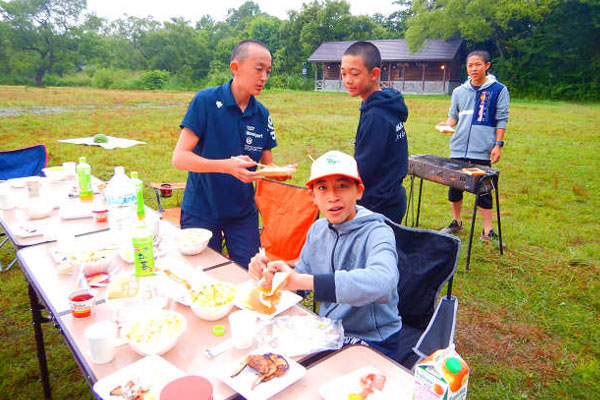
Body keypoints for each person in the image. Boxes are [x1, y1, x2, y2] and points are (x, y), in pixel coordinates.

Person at [249, 150, 401, 358]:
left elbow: (384, 281)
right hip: (328, 331)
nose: (332, 197)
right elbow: (301, 281)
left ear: (359, 191)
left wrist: (301, 280)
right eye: (322, 188)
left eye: (342, 186)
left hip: (372, 339)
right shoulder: (318, 230)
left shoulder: (377, 232)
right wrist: (274, 277)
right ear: (312, 196)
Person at [172, 39, 294, 268]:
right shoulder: (206, 101)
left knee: (250, 271)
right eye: (258, 69)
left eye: (268, 71)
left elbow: (267, 165)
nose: (264, 77)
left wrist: (278, 172)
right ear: (235, 68)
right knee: (204, 273)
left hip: (242, 212)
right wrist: (227, 166)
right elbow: (179, 158)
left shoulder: (261, 114)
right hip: (201, 209)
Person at [437, 50, 509, 242]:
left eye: (478, 64)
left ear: (487, 66)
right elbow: (453, 116)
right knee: (454, 187)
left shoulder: (499, 90)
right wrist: (447, 124)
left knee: (484, 190)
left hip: (483, 149)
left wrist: (497, 145)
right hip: (458, 147)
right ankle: (456, 221)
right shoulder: (459, 92)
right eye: (470, 65)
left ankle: (487, 231)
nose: (474, 69)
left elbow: (502, 119)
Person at [341, 41, 409, 224]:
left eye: (354, 74)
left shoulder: (377, 116)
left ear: (374, 74)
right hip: (391, 197)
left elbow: (364, 169)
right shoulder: (382, 103)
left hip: (379, 205)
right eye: (344, 73)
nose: (348, 80)